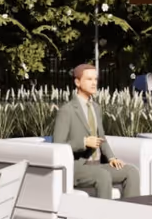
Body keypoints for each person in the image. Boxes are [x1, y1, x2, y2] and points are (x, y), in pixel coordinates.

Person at [53, 63, 140, 199]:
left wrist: (111, 157)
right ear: (77, 82)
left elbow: (101, 136)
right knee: (102, 176)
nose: (94, 83)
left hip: (98, 165)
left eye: (95, 79)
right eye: (89, 79)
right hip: (77, 167)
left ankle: (131, 217)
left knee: (131, 171)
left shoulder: (96, 108)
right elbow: (57, 145)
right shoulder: (67, 111)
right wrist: (83, 142)